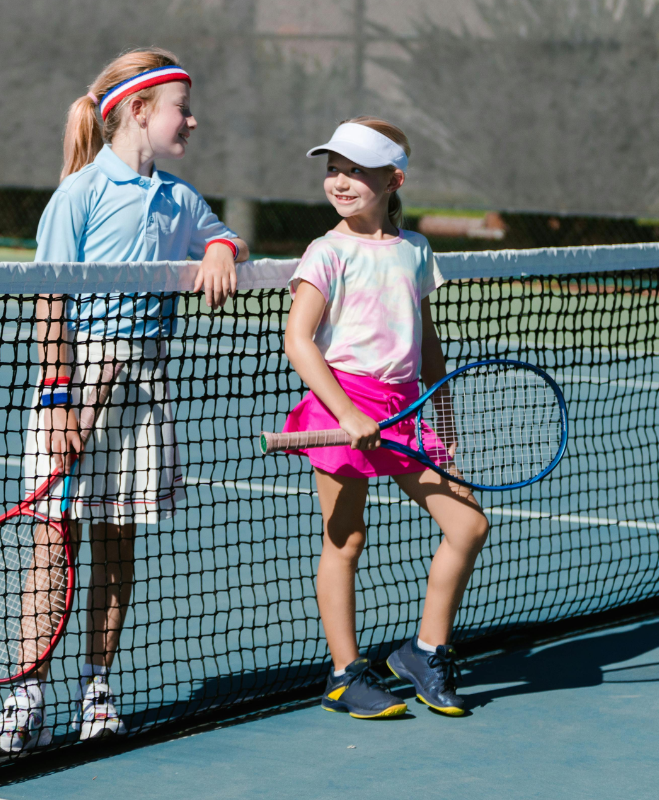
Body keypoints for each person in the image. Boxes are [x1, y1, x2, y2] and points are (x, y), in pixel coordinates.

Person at [0, 47, 250, 756]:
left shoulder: (180, 198)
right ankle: (25, 697)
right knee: (51, 543)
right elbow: (49, 301)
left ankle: (96, 687)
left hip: (142, 386)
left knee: (117, 544)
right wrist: (62, 398)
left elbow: (224, 237)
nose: (192, 120)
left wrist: (221, 246)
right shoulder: (79, 194)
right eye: (180, 109)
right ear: (138, 111)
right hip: (73, 382)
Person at [280, 117, 490, 719]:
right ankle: (345, 675)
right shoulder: (326, 251)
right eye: (334, 169)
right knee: (345, 539)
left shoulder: (415, 251)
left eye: (357, 171)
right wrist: (346, 413)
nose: (341, 182)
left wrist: (443, 418)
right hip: (341, 401)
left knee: (468, 525)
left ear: (394, 179)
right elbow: (299, 341)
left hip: (403, 411)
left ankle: (425, 651)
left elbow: (427, 345)